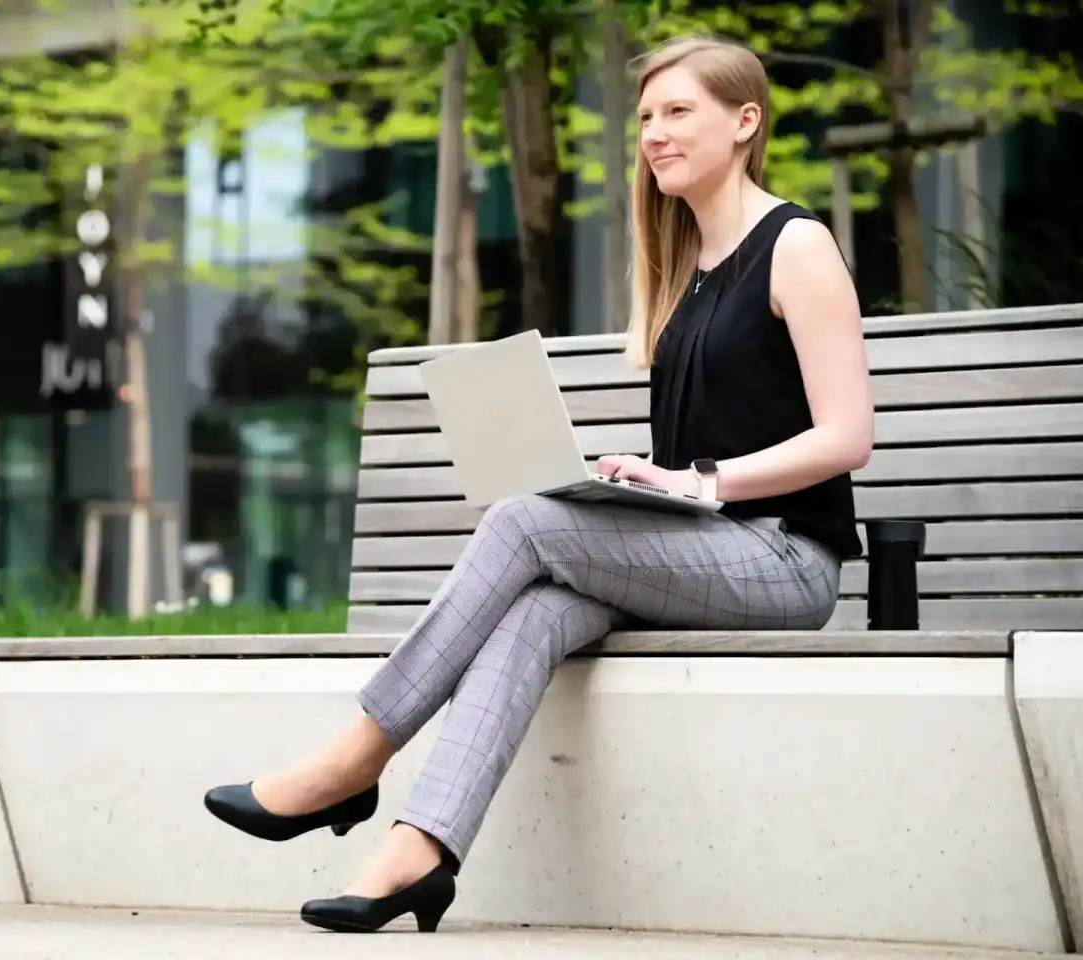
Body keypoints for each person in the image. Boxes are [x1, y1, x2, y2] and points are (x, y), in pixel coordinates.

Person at [203, 32, 873, 934]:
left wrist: (695, 482)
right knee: (533, 614)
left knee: (523, 522)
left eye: (679, 112)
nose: (656, 135)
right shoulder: (688, 271)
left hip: (785, 560)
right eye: (645, 118)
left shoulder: (796, 246)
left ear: (746, 121)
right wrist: (632, 483)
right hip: (708, 546)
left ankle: (352, 760)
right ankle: (419, 854)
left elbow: (847, 438)